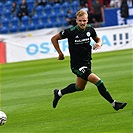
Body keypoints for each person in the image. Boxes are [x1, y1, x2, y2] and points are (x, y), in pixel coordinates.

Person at [51, 10, 127, 111]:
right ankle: (114, 104)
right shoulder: (70, 31)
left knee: (79, 87)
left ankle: (59, 93)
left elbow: (98, 39)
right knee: (98, 81)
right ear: (76, 21)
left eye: (84, 21)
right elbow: (54, 38)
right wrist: (60, 53)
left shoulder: (90, 30)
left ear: (87, 20)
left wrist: (99, 44)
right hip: (77, 65)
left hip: (87, 63)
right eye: (80, 21)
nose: (82, 23)